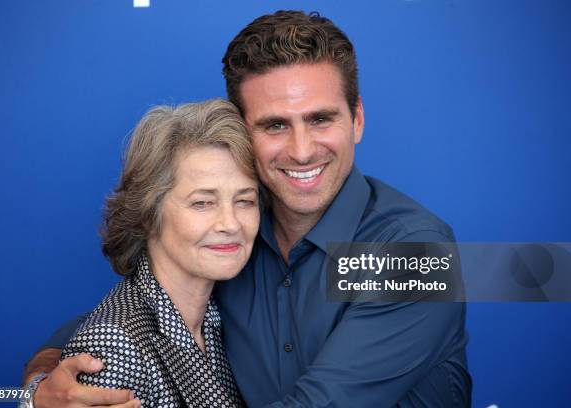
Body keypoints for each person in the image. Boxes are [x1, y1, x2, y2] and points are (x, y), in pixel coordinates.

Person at [23, 10, 471, 407]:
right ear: (244, 133)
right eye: (275, 124)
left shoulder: (417, 251)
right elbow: (136, 314)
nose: (301, 151)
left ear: (357, 119)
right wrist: (43, 384)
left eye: (320, 119)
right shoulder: (234, 237)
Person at [21, 99, 259, 407]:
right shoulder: (112, 348)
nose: (230, 223)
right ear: (148, 215)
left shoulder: (211, 318)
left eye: (245, 201)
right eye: (202, 203)